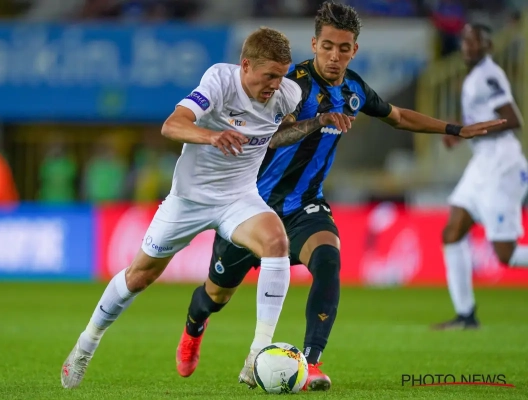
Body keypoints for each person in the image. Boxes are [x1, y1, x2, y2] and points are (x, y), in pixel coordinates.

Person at [174, 1, 507, 392]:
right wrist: (317, 122)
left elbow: (398, 117)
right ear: (315, 44)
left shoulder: (354, 89)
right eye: (328, 46)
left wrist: (454, 128)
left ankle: (312, 362)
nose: (335, 56)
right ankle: (194, 328)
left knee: (328, 258)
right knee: (215, 295)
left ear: (354, 50)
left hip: (304, 205)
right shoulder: (290, 86)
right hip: (251, 205)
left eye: (343, 48)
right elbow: (270, 138)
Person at [60, 26, 355, 389]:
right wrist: (212, 135)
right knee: (139, 276)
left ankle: (256, 356)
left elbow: (277, 134)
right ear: (245, 66)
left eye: (281, 76)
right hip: (189, 200)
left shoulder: (287, 93)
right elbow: (172, 125)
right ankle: (86, 344)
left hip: (239, 197)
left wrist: (316, 123)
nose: (276, 85)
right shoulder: (219, 80)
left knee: (275, 242)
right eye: (269, 76)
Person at [433, 23, 528, 330]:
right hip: (482, 165)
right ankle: (466, 316)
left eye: (476, 42)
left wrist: (468, 130)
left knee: (506, 254)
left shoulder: (489, 74)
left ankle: (466, 315)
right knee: (452, 233)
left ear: (489, 46)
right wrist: (461, 131)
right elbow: (482, 119)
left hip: (502, 166)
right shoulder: (474, 77)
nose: (469, 46)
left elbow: (513, 119)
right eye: (466, 41)